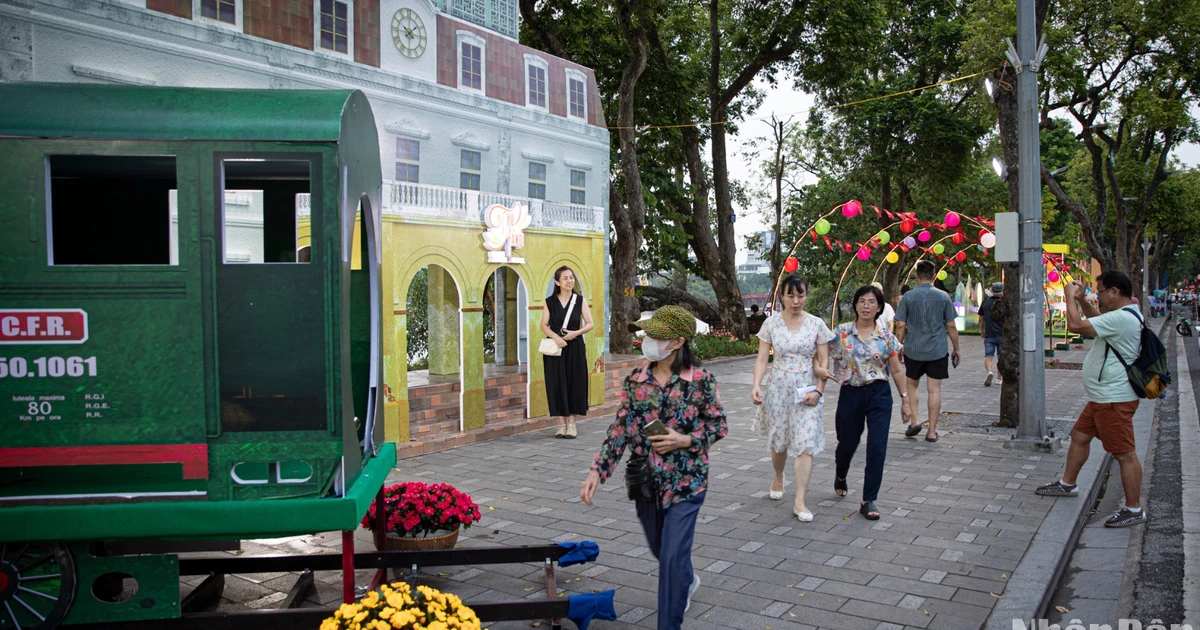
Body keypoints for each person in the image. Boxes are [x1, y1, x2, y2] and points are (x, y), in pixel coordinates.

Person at [581, 306, 727, 630]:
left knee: (671, 559)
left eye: (654, 336)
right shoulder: (637, 380)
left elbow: (718, 426)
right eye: (647, 334)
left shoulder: (700, 382)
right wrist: (597, 471)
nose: (647, 341)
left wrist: (684, 439)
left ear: (676, 342)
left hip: (687, 483)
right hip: (647, 483)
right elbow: (619, 427)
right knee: (663, 551)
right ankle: (686, 580)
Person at [1035, 271, 1146, 528]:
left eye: (1101, 292)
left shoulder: (1121, 317)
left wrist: (1069, 297)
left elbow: (1076, 326)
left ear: (1115, 291)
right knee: (1080, 436)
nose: (1100, 297)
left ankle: (1134, 508)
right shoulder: (1126, 315)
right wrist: (1084, 300)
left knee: (1124, 454)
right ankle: (1067, 484)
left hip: (1113, 399)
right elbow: (1099, 323)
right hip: (1102, 396)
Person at [750, 276, 834, 521]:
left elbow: (823, 361)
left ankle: (800, 501)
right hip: (778, 388)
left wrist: (819, 391)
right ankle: (778, 476)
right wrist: (756, 385)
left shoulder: (817, 324)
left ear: (806, 295)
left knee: (805, 443)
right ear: (782, 297)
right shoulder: (771, 324)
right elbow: (762, 359)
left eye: (801, 295)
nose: (796, 301)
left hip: (807, 390)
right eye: (790, 295)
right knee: (779, 442)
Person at [825, 285, 911, 520]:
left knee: (877, 447)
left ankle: (868, 499)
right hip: (851, 393)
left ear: (879, 307)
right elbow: (821, 352)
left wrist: (906, 401)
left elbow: (896, 369)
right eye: (862, 301)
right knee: (847, 443)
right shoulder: (841, 333)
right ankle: (841, 473)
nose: (866, 306)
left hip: (879, 395)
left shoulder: (885, 336)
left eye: (871, 302)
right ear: (855, 305)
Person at [895, 260, 960, 443]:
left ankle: (915, 421)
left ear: (916, 276)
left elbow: (901, 325)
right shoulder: (944, 297)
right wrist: (956, 348)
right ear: (934, 276)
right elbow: (951, 325)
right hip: (937, 350)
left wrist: (899, 346)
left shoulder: (908, 297)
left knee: (912, 385)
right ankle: (931, 432)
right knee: (934, 390)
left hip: (913, 350)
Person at [541, 266, 593, 439]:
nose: (570, 281)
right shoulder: (549, 302)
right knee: (556, 384)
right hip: (556, 349)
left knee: (575, 383)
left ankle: (572, 424)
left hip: (575, 348)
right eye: (565, 278)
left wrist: (575, 333)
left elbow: (589, 323)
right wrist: (556, 338)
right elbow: (543, 325)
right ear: (557, 282)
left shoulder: (579, 300)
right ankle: (561, 425)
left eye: (571, 278)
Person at [980, 282, 1005, 387]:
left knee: (988, 356)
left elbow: (981, 319)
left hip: (989, 334)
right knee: (1001, 357)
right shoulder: (1004, 303)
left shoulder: (985, 303)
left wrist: (982, 331)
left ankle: (989, 372)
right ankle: (999, 378)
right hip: (1002, 334)